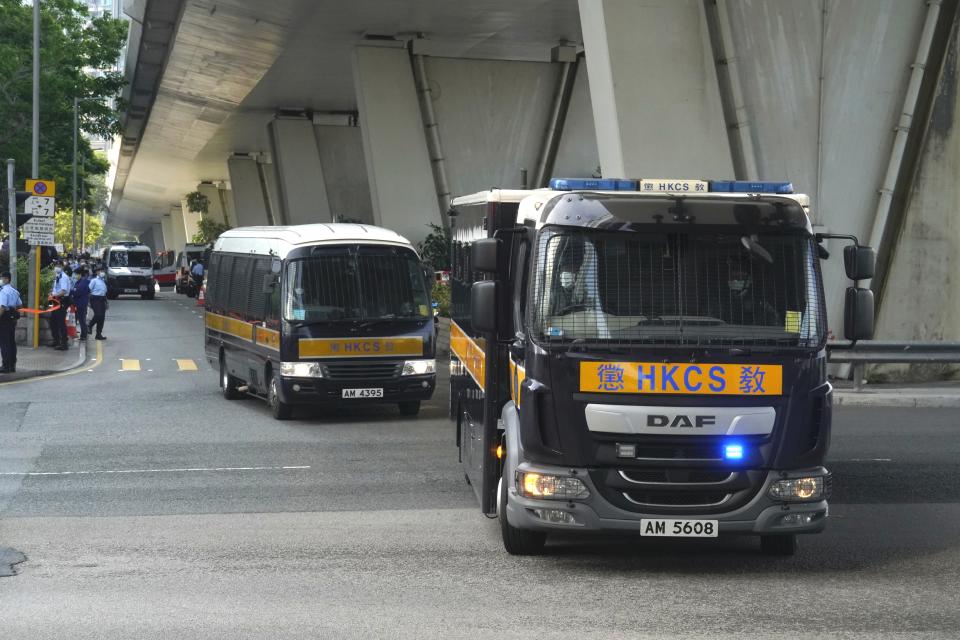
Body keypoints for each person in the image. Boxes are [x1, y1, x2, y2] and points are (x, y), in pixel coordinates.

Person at [0, 271, 23, 373]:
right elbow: (20, 305)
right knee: (11, 342)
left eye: (2, 278)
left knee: (4, 342)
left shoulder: (3, 291)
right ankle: (12, 365)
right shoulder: (14, 291)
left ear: (7, 279)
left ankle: (6, 366)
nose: (1, 280)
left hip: (4, 318)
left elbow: (2, 307)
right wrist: (12, 308)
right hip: (12, 319)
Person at [49, 263, 73, 350]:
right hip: (55, 300)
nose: (56, 268)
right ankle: (56, 340)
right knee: (53, 321)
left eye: (59, 266)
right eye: (56, 266)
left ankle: (64, 343)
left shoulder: (63, 277)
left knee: (60, 322)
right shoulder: (57, 276)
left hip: (62, 300)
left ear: (62, 267)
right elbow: (55, 288)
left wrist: (54, 296)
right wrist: (51, 294)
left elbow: (63, 291)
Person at [88, 269, 108, 340]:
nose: (102, 272)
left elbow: (104, 292)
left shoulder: (103, 281)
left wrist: (106, 302)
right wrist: (89, 301)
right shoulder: (94, 280)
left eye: (103, 271)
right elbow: (89, 290)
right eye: (100, 271)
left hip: (102, 299)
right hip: (95, 299)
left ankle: (98, 334)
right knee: (98, 314)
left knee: (101, 318)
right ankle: (89, 326)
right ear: (97, 272)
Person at [72, 268, 91, 341]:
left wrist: (70, 292)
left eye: (76, 274)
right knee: (81, 319)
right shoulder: (80, 282)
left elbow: (77, 292)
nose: (75, 276)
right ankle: (83, 335)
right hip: (80, 303)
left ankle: (83, 335)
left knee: (81, 320)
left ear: (80, 274)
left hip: (81, 303)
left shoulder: (82, 283)